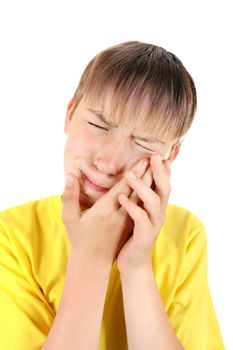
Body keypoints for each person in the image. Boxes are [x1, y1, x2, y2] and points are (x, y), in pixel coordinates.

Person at [0, 41, 225, 350]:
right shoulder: (13, 235)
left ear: (169, 157)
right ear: (70, 114)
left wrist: (136, 267)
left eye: (144, 143)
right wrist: (91, 257)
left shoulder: (184, 236)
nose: (107, 162)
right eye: (97, 124)